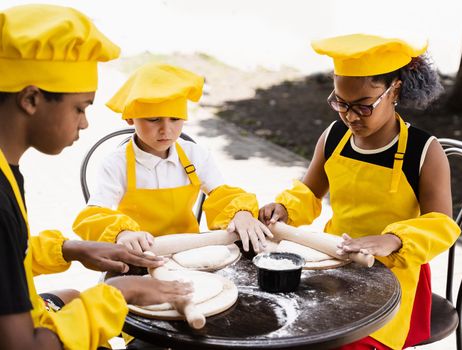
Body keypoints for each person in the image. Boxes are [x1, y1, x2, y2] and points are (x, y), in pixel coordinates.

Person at [0, 5, 193, 350]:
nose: (85, 123)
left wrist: (69, 249)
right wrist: (117, 294)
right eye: (80, 108)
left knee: (72, 295)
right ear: (31, 99)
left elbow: (10, 257)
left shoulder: (7, 167)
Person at [259, 34, 461, 350]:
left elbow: (442, 224)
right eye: (341, 103)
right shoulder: (335, 135)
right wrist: (285, 208)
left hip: (393, 278)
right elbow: (309, 191)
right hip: (334, 262)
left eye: (363, 106)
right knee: (280, 324)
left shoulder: (424, 151)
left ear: (394, 90)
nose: (350, 116)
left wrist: (393, 239)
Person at [73, 62, 272, 253]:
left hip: (190, 254)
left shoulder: (195, 155)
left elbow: (223, 194)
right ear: (130, 118)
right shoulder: (116, 164)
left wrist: (241, 213)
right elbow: (94, 214)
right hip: (139, 255)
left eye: (175, 119)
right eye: (153, 119)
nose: (166, 130)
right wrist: (122, 234)